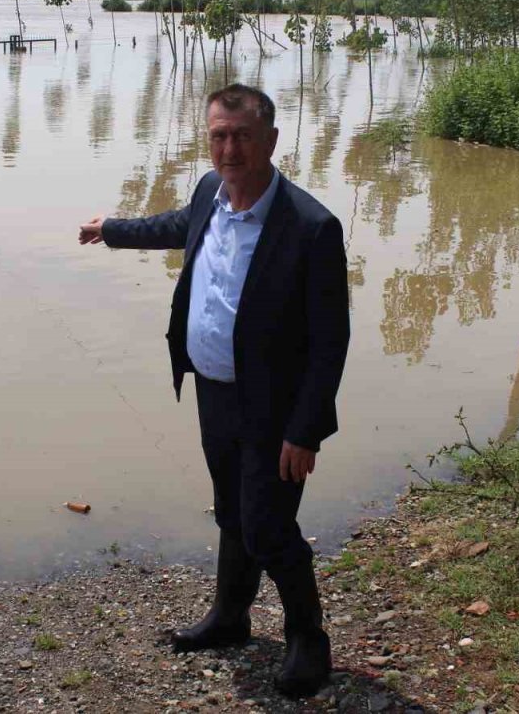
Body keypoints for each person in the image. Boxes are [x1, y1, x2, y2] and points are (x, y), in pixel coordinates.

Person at [77, 83, 350, 698]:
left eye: (242, 136)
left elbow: (331, 342)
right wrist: (113, 230)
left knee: (268, 527)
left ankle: (309, 638)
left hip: (273, 407)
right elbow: (178, 225)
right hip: (213, 390)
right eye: (218, 135)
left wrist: (305, 431)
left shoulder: (311, 228)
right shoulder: (210, 193)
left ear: (271, 140)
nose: (229, 148)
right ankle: (231, 617)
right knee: (232, 508)